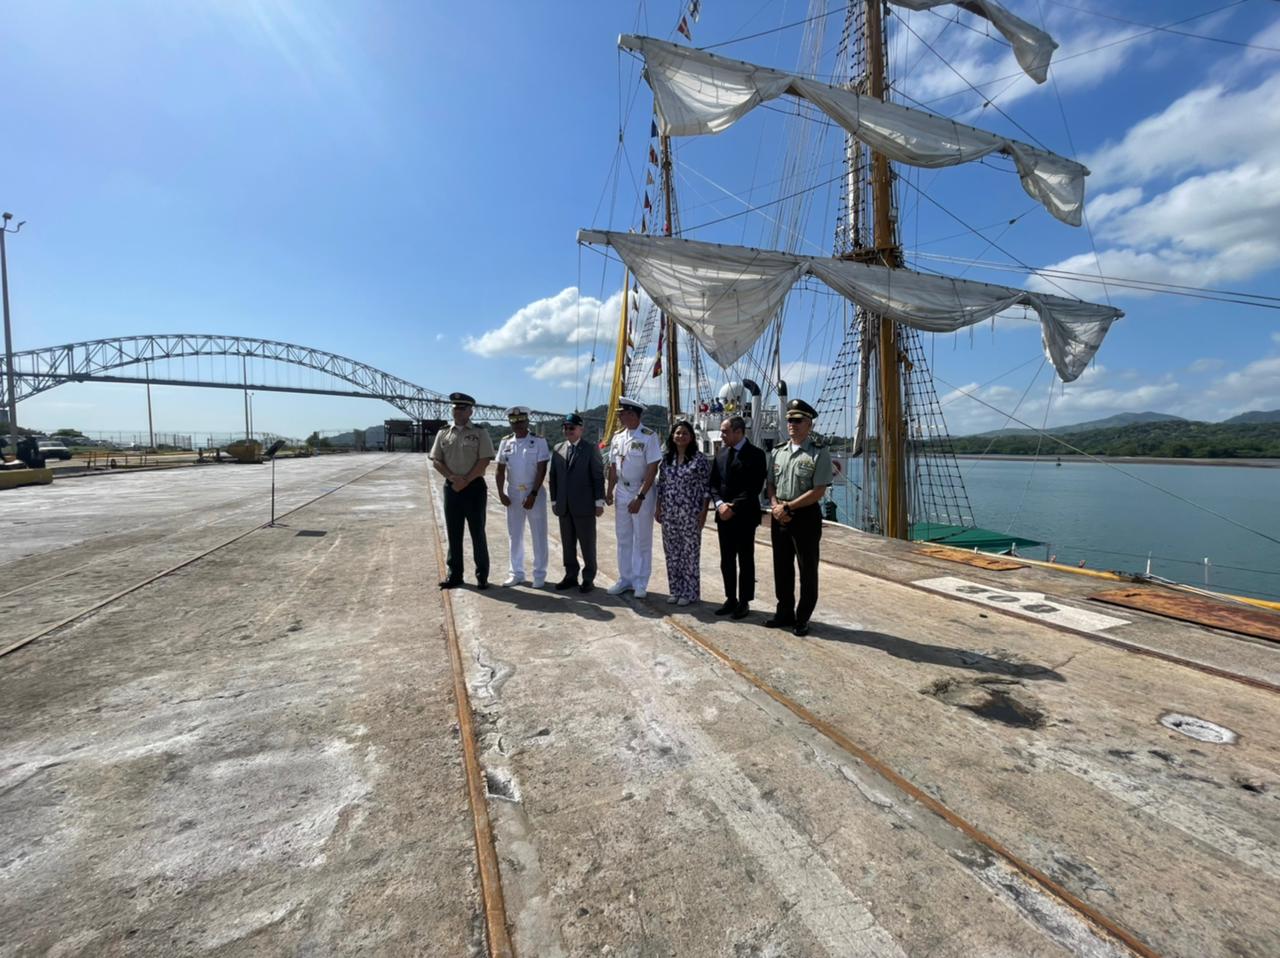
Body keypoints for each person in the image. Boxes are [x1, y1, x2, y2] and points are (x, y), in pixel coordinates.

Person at [765, 399, 832, 636]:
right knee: (782, 567)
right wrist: (775, 506)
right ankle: (784, 612)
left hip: (804, 516)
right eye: (789, 420)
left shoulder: (818, 453)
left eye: (797, 420)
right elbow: (771, 484)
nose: (792, 424)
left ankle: (803, 617)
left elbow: (819, 489)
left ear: (809, 425)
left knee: (807, 569)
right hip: (779, 514)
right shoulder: (777, 452)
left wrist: (789, 507)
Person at [430, 392, 495, 590]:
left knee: (478, 532)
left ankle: (482, 576)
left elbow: (485, 459)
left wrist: (466, 480)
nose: (457, 411)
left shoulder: (480, 432)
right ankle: (455, 575)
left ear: (470, 411)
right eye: (455, 407)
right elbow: (436, 460)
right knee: (454, 533)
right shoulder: (443, 433)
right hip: (452, 488)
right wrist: (452, 478)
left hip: (474, 487)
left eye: (462, 408)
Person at [708, 415, 767, 620]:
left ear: (739, 432)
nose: (722, 435)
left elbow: (754, 487)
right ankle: (730, 598)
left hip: (744, 516)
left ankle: (744, 601)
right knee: (727, 560)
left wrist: (733, 507)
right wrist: (719, 504)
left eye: (725, 431)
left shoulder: (756, 455)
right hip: (723, 515)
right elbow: (713, 483)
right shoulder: (721, 453)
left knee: (745, 559)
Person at [605, 396, 662, 598]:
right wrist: (609, 490)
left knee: (642, 539)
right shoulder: (618, 437)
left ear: (634, 414)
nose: (621, 416)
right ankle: (625, 579)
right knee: (623, 537)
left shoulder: (649, 436)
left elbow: (652, 468)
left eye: (624, 413)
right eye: (621, 413)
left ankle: (640, 582)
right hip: (621, 490)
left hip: (641, 490)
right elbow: (613, 466)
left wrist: (640, 497)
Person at [548, 413, 606, 593]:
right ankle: (571, 575)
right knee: (567, 543)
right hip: (564, 505)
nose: (568, 431)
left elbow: (598, 476)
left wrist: (599, 502)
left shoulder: (590, 449)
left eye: (572, 427)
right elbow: (553, 477)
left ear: (581, 429)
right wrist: (555, 500)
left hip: (585, 505)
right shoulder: (558, 449)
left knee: (587, 544)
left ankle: (588, 578)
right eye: (565, 427)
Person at [655, 420, 711, 606]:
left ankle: (690, 592)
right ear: (672, 436)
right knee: (672, 553)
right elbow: (661, 486)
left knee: (690, 554)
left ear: (691, 437)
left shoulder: (699, 460)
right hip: (669, 512)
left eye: (685, 433)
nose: (681, 436)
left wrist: (703, 515)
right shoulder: (666, 460)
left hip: (690, 513)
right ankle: (675, 590)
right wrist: (658, 507)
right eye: (678, 433)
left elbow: (705, 490)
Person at [495, 405, 550, 588]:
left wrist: (533, 493)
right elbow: (500, 469)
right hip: (513, 493)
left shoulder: (538, 441)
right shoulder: (506, 442)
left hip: (533, 491)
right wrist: (501, 492)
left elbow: (542, 469)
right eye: (514, 422)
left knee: (539, 534)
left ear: (527, 421)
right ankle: (516, 573)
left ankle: (539, 574)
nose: (518, 425)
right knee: (514, 534)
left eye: (521, 421)